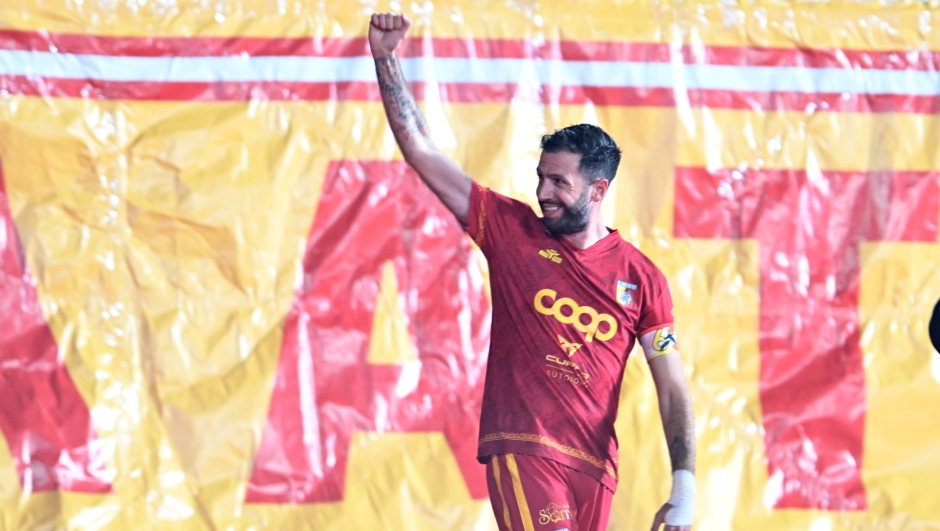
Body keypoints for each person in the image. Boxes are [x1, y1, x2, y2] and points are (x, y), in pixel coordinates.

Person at [369, 13, 696, 531]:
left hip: (595, 469)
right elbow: (421, 151)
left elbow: (672, 385)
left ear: (597, 191)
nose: (543, 192)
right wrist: (385, 57)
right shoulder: (509, 230)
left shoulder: (643, 278)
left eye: (558, 182)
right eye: (540, 177)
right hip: (525, 446)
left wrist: (685, 488)